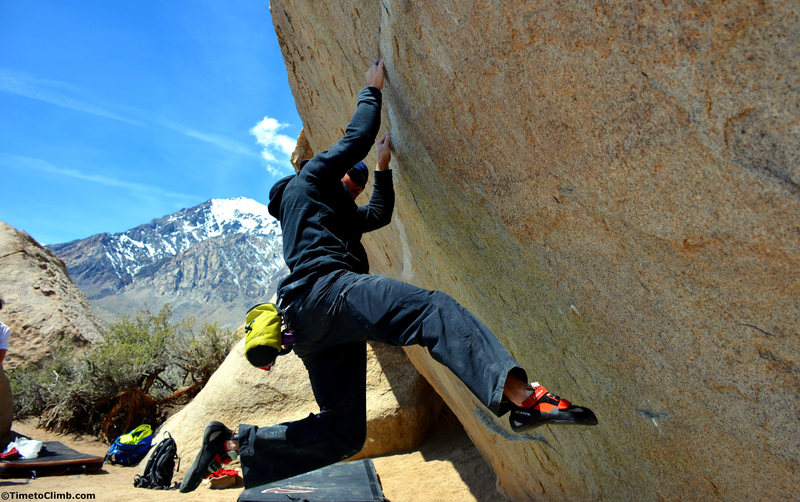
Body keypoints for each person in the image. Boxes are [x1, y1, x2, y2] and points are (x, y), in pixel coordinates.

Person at [180, 59, 597, 493]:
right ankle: (524, 398)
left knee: (344, 433)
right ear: (323, 171)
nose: (356, 184)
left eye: (359, 183)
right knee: (432, 310)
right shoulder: (310, 181)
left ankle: (228, 448)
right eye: (353, 175)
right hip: (328, 294)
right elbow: (356, 137)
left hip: (309, 326)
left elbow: (377, 215)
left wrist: (380, 170)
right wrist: (372, 89)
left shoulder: (325, 212)